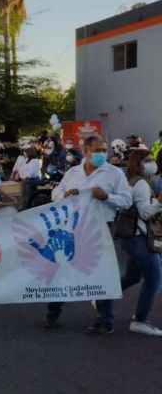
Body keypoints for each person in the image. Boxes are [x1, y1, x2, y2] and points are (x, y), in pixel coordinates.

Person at [44, 135, 132, 334]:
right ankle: (53, 313)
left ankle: (105, 320)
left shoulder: (114, 173)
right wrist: (65, 196)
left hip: (101, 228)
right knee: (61, 271)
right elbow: (55, 195)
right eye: (97, 150)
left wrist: (107, 197)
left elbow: (127, 201)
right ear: (86, 152)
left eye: (104, 150)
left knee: (102, 274)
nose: (102, 154)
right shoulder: (73, 173)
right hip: (72, 228)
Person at [115, 149, 162, 335]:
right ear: (138, 163)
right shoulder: (141, 183)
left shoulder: (131, 180)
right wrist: (159, 202)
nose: (152, 163)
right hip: (139, 238)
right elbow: (144, 212)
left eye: (152, 159)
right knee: (154, 280)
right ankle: (140, 321)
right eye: (147, 160)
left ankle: (103, 298)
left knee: (133, 277)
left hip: (129, 238)